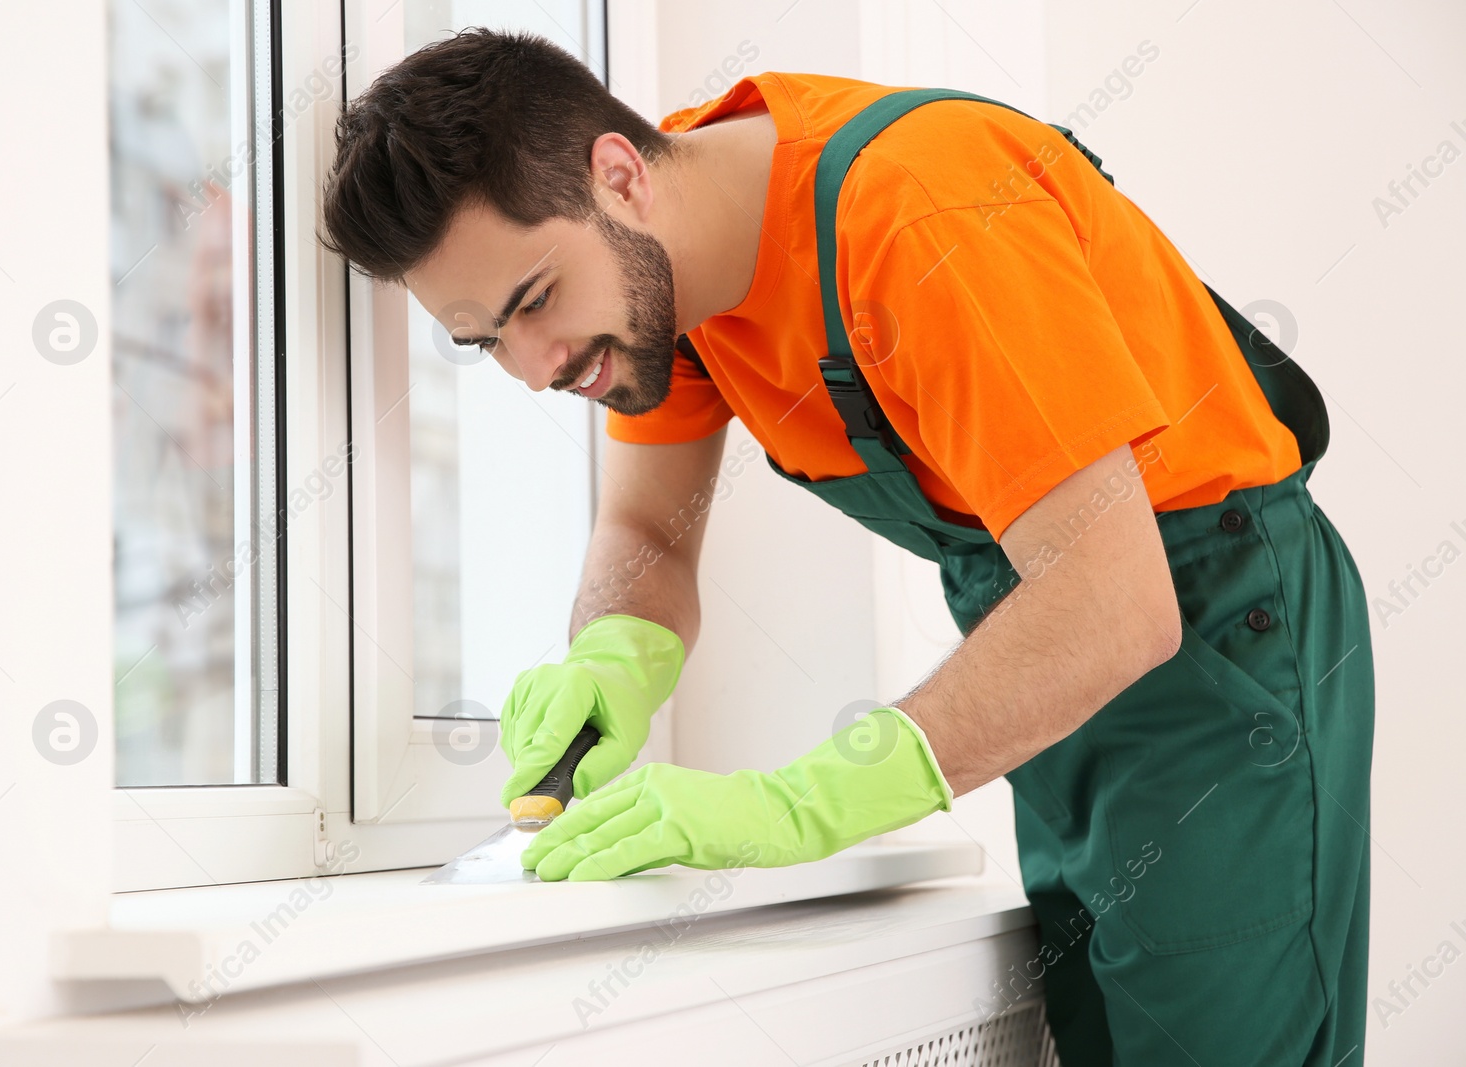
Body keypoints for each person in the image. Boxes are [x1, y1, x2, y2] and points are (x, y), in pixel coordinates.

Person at [320, 29, 1374, 1066]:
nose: (535, 367)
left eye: (535, 301)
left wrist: (797, 805)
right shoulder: (659, 276)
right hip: (1047, 662)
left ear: (619, 176)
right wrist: (611, 658)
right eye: (483, 340)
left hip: (1219, 639)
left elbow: (1114, 601)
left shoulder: (923, 215)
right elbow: (644, 530)